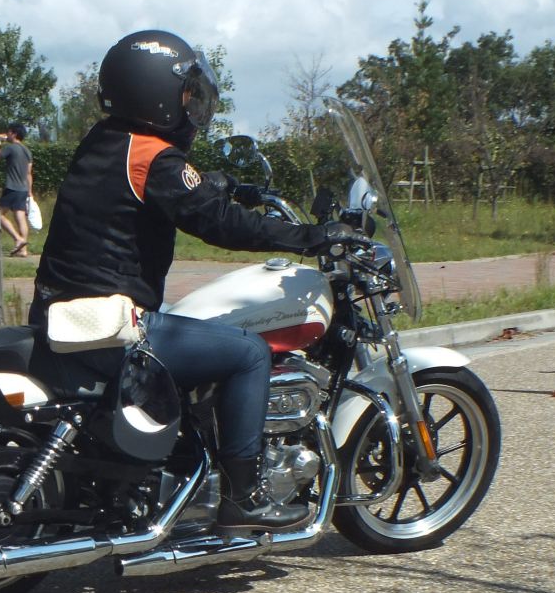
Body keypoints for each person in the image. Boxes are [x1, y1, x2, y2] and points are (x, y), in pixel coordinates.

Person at [29, 29, 341, 532]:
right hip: (110, 323)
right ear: (154, 92)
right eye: (187, 93)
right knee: (248, 352)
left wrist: (213, 184)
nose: (192, 105)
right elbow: (220, 224)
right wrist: (310, 237)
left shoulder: (107, 141)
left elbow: (163, 195)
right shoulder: (152, 157)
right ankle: (244, 498)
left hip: (63, 310)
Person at [0, 122, 33, 257]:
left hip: (12, 187)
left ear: (14, 134)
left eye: (9, 132)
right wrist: (30, 191)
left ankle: (18, 238)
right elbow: (29, 173)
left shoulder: (11, 147)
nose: (7, 134)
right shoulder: (27, 151)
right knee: (20, 217)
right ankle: (23, 250)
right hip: (23, 188)